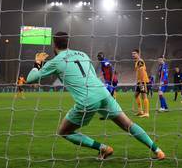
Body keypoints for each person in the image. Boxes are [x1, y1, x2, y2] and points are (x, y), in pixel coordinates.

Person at [26, 32, 165, 160]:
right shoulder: (82, 54)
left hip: (87, 99)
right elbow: (91, 74)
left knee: (64, 131)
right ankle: (158, 150)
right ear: (68, 43)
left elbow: (31, 78)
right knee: (128, 124)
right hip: (102, 92)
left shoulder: (55, 61)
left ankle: (103, 148)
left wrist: (37, 63)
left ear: (54, 44)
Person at [132, 49, 150, 118]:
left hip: (143, 81)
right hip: (139, 82)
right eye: (132, 54)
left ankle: (146, 113)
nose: (133, 55)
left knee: (144, 96)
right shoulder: (137, 61)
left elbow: (142, 71)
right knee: (136, 95)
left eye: (134, 53)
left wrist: (142, 83)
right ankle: (140, 111)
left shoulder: (140, 61)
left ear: (138, 54)